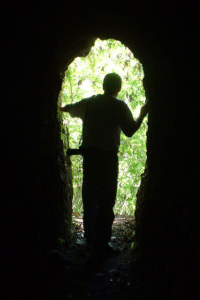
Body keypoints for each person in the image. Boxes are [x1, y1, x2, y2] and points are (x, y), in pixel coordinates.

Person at [61, 73, 148, 256]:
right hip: (108, 159)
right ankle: (103, 243)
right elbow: (130, 131)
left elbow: (67, 108)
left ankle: (91, 241)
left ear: (103, 85)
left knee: (90, 199)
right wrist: (142, 113)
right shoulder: (119, 106)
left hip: (90, 158)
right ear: (119, 88)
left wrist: (59, 104)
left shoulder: (89, 103)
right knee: (106, 200)